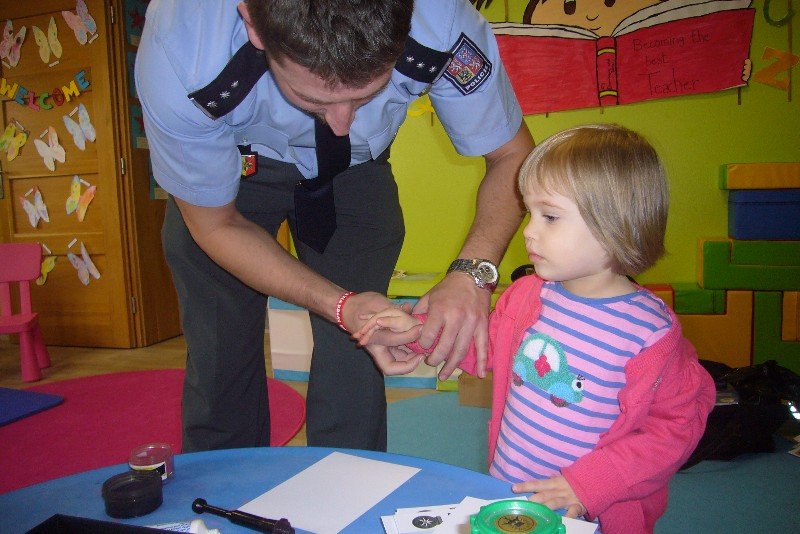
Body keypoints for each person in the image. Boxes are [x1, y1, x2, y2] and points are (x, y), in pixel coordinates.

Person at [134, 0, 534, 453]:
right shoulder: (182, 51)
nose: (342, 123)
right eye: (314, 98)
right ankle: (224, 485)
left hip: (357, 170)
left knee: (359, 354)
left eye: (367, 95)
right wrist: (340, 305)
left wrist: (473, 274)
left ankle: (349, 483)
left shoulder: (441, 20)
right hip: (232, 169)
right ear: (254, 26)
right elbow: (215, 226)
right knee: (219, 351)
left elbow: (512, 155)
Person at [354, 124, 716, 533]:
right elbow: (482, 344)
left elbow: (675, 427)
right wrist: (417, 330)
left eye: (551, 217)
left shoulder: (650, 333)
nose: (528, 231)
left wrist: (588, 484)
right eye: (529, 213)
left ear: (615, 222)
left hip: (591, 511)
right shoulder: (528, 297)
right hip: (511, 488)